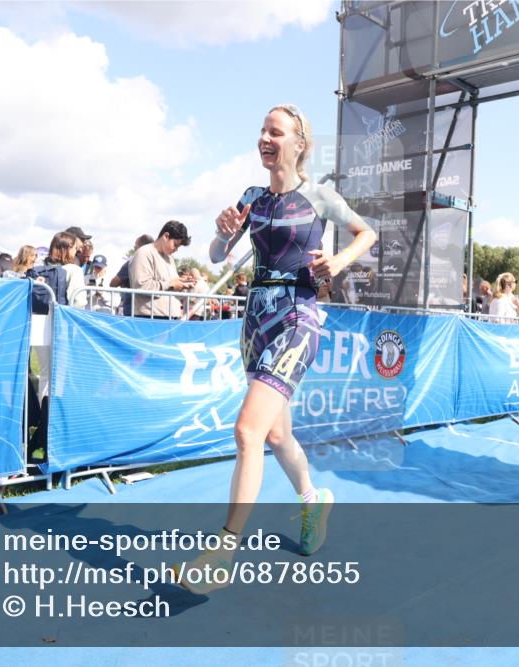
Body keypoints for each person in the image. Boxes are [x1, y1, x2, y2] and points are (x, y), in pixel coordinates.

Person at [176, 103, 376, 594]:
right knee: (275, 435)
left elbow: (366, 232)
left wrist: (339, 260)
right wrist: (222, 235)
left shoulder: (320, 197)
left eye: (275, 131)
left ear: (299, 143)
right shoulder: (252, 197)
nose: (265, 138)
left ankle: (223, 553)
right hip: (255, 319)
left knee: (247, 431)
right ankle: (313, 498)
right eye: (262, 130)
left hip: (297, 316)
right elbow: (218, 255)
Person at [128, 221, 193, 318]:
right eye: (175, 245)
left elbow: (171, 285)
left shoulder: (170, 259)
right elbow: (141, 286)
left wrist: (181, 284)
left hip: (169, 319)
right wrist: (171, 285)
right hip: (150, 320)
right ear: (166, 236)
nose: (176, 249)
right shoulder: (144, 253)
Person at [110, 234, 153, 316]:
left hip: (133, 310)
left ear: (141, 248)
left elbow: (113, 283)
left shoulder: (132, 263)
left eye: (136, 245)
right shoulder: (157, 263)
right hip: (152, 311)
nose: (134, 248)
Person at [45, 231, 87, 308]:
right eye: (75, 248)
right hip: (62, 316)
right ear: (68, 249)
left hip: (38, 315)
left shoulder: (42, 267)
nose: (76, 251)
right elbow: (79, 301)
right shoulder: (74, 270)